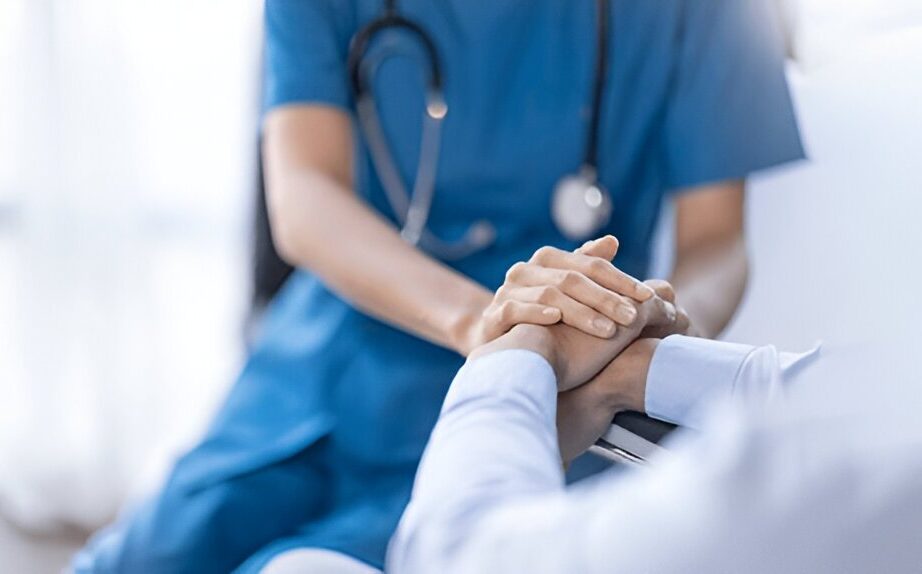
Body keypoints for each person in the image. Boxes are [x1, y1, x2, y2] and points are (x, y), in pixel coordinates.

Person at [74, 0, 803, 571]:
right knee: (144, 556)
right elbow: (303, 197)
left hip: (560, 391)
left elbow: (716, 243)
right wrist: (488, 325)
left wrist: (657, 327)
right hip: (336, 359)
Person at [387, 308, 922, 573]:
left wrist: (512, 354)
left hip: (479, 463)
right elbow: (859, 392)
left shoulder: (843, 485)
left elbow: (458, 558)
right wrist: (639, 370)